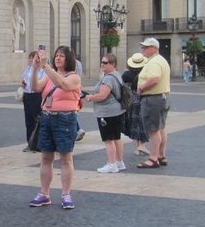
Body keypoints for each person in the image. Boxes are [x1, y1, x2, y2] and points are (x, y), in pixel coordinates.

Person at [29, 45, 81, 210]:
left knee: (66, 158)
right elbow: (35, 87)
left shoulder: (74, 77)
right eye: (57, 55)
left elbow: (63, 84)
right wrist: (35, 69)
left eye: (62, 56)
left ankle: (66, 194)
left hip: (65, 119)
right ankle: (44, 193)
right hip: (47, 118)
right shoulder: (51, 75)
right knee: (46, 158)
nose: (58, 58)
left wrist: (45, 66)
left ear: (69, 59)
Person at [84, 53, 127, 173]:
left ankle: (111, 164)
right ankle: (119, 162)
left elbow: (102, 95)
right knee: (117, 137)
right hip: (117, 110)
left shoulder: (108, 78)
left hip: (107, 112)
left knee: (108, 140)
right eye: (102, 62)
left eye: (105, 62)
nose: (102, 64)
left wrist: (90, 97)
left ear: (113, 64)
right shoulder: (117, 75)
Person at [136, 38, 171, 169]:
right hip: (163, 97)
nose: (143, 49)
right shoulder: (161, 60)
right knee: (161, 128)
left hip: (153, 99)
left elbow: (155, 78)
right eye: (143, 47)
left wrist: (141, 88)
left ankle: (153, 158)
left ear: (155, 48)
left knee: (153, 130)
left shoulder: (154, 62)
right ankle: (161, 155)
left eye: (146, 47)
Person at [121, 52, 149, 156]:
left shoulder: (126, 74)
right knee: (142, 123)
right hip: (143, 98)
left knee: (133, 124)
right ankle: (142, 145)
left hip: (131, 100)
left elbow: (121, 85)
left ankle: (137, 147)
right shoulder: (145, 72)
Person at [21, 52, 45, 152]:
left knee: (38, 120)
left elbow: (42, 82)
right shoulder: (28, 68)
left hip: (37, 95)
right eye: (30, 58)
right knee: (29, 120)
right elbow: (24, 78)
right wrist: (22, 83)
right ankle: (30, 143)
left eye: (33, 58)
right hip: (27, 94)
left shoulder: (43, 70)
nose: (31, 60)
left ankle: (38, 143)